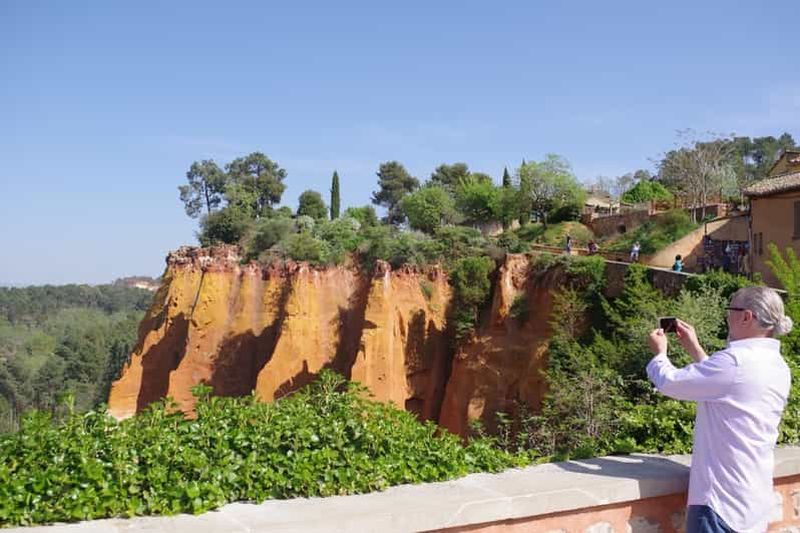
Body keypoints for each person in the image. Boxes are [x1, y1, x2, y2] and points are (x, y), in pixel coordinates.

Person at [646, 287, 793, 532]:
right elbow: (728, 388)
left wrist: (659, 354)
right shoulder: (777, 365)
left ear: (746, 316)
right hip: (752, 501)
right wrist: (695, 348)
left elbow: (671, 383)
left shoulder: (735, 362)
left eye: (730, 310)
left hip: (719, 504)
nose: (727, 317)